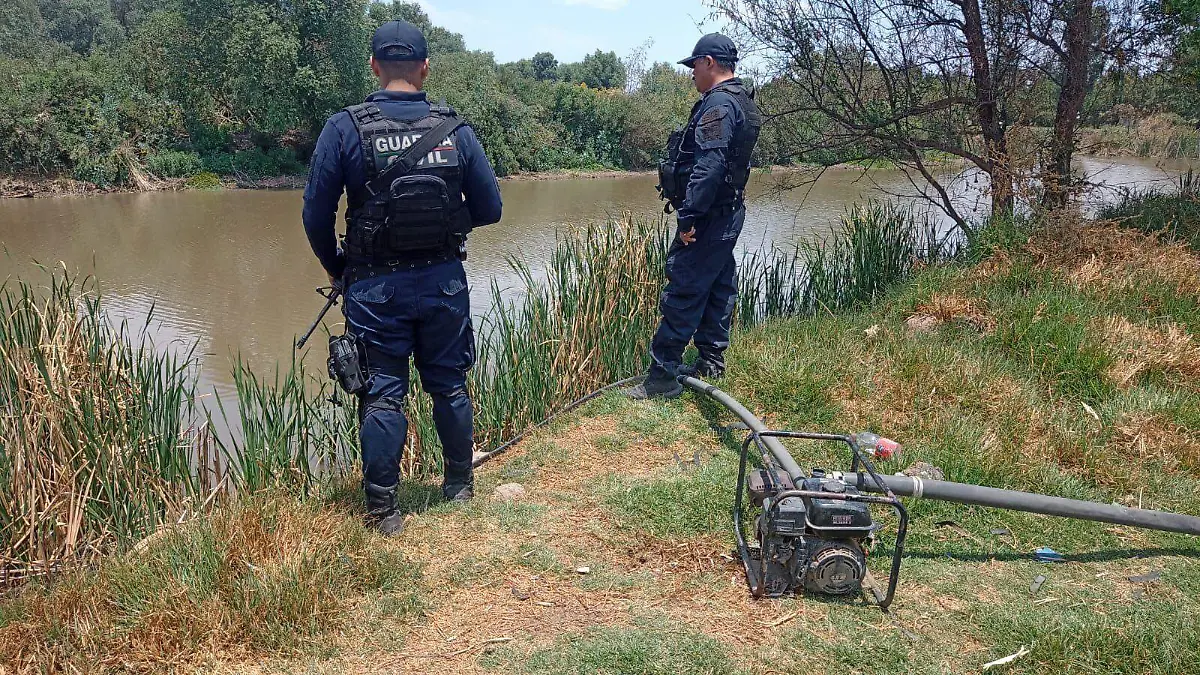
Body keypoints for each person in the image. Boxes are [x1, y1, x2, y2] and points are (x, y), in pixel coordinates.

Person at [302, 19, 503, 535]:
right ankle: (459, 485)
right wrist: (447, 224)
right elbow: (491, 208)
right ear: (425, 67)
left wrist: (339, 267)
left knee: (382, 394)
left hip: (375, 287)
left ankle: (384, 510)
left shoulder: (344, 128)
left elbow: (315, 216)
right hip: (444, 283)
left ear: (373, 65)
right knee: (450, 385)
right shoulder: (455, 129)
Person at [626, 33, 762, 400]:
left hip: (707, 217)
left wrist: (688, 219)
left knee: (684, 287)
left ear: (709, 63)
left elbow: (710, 166)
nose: (691, 73)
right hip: (727, 212)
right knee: (719, 285)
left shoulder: (719, 104)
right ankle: (710, 363)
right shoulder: (742, 100)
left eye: (694, 65)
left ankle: (661, 378)